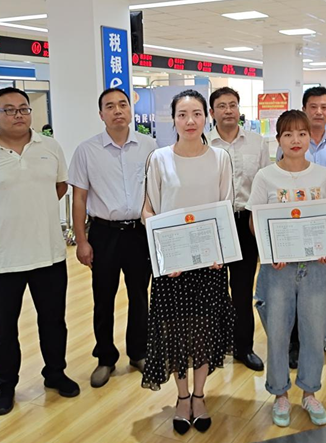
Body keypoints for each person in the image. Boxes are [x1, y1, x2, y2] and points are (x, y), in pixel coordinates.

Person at [0, 87, 79, 416]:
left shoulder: (49, 147)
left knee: (54, 322)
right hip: (2, 259)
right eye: (9, 109)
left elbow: (60, 186)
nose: (18, 114)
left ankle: (55, 373)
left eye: (24, 108)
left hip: (49, 254)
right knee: (3, 329)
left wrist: (33, 212)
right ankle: (5, 386)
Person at [141, 89, 235, 435]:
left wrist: (219, 252)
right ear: (174, 120)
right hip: (172, 265)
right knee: (176, 331)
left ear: (206, 117)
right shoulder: (159, 158)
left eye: (196, 113)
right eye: (182, 115)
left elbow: (226, 206)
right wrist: (166, 255)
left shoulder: (220, 158)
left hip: (210, 264)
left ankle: (199, 394)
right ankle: (182, 397)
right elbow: (148, 210)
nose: (190, 121)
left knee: (204, 331)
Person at [246, 110, 326, 427]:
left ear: (309, 137)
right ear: (279, 140)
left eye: (301, 133)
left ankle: (310, 392)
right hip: (278, 268)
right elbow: (254, 221)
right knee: (277, 333)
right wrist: (270, 249)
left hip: (316, 267)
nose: (295, 140)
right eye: (288, 134)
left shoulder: (322, 176)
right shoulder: (265, 176)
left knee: (314, 332)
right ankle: (280, 394)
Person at [68, 88, 157, 388]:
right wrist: (82, 240)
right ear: (101, 114)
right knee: (103, 298)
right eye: (110, 106)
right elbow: (79, 198)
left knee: (139, 295)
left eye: (123, 105)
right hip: (104, 233)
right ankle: (105, 357)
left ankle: (139, 352)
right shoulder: (86, 150)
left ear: (131, 110)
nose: (117, 110)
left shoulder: (149, 146)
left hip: (139, 233)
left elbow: (158, 191)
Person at [277, 86, 326, 366]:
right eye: (313, 106)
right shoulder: (291, 141)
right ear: (304, 108)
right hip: (295, 224)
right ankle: (296, 343)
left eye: (324, 107)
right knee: (297, 285)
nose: (319, 112)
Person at [208, 87, 269, 372]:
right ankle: (217, 345)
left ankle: (244, 347)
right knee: (214, 288)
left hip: (246, 222)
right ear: (212, 112)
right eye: (222, 106)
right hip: (214, 223)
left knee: (243, 289)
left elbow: (266, 184)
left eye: (232, 105)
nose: (228, 110)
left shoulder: (257, 142)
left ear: (239, 109)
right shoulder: (203, 143)